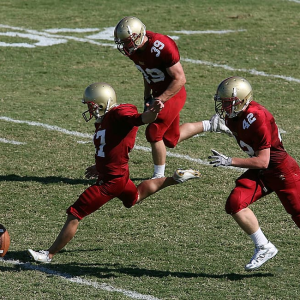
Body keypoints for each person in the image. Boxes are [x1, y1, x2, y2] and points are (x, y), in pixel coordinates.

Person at [28, 82, 201, 263]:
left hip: (110, 182)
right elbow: (112, 145)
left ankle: (48, 255)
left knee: (75, 213)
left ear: (103, 103)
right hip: (119, 176)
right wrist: (100, 166)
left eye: (92, 105)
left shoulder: (119, 113)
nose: (90, 109)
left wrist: (153, 113)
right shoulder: (105, 120)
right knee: (134, 197)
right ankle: (175, 178)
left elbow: (140, 119)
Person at [114, 16, 231, 179]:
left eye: (127, 41)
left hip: (173, 93)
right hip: (158, 94)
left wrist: (160, 99)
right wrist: (147, 95)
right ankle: (212, 124)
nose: (125, 46)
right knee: (171, 139)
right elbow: (146, 73)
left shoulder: (162, 46)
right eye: (123, 42)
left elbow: (180, 78)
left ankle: (158, 176)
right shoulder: (134, 50)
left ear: (138, 36)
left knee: (153, 133)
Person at [208, 76, 300, 271]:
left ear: (242, 100)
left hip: (281, 171)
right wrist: (224, 128)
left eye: (228, 102)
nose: (224, 107)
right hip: (262, 173)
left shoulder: (257, 116)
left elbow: (263, 160)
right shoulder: (235, 115)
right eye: (222, 102)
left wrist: (229, 161)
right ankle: (264, 246)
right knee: (235, 203)